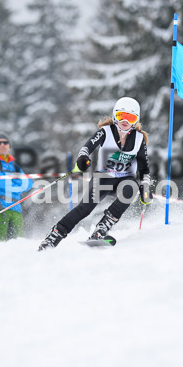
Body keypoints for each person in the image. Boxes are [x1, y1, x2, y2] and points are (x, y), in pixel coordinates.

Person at [38, 97, 152, 251]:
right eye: (121, 116)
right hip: (103, 178)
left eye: (130, 118)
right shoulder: (106, 132)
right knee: (85, 208)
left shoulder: (139, 139)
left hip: (125, 180)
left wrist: (145, 187)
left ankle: (101, 229)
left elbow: (144, 169)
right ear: (114, 116)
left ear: (135, 120)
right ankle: (53, 237)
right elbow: (87, 147)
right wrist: (83, 159)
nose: (125, 121)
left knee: (131, 187)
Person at [0, 133, 34, 244]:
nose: (2, 145)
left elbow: (29, 183)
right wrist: (18, 184)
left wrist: (13, 183)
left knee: (18, 245)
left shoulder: (14, 165)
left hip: (16, 209)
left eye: (5, 142)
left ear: (9, 146)